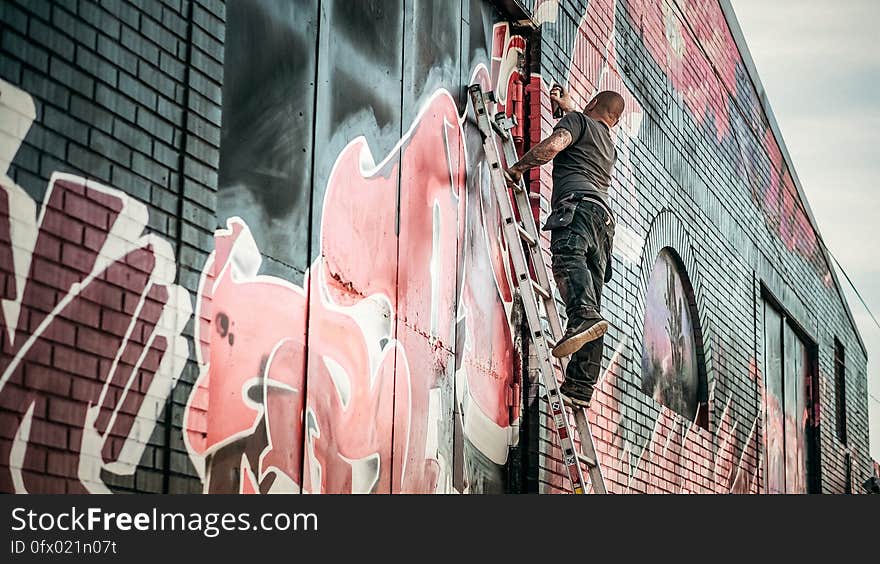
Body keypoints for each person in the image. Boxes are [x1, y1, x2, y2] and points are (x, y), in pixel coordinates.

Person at [504, 85, 625, 408]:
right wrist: (570, 109)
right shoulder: (608, 144)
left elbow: (555, 145)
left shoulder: (578, 123)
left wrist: (518, 168)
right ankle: (580, 387)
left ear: (594, 102)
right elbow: (584, 122)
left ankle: (581, 316)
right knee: (593, 304)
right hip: (604, 221)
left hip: (577, 208)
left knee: (568, 262)